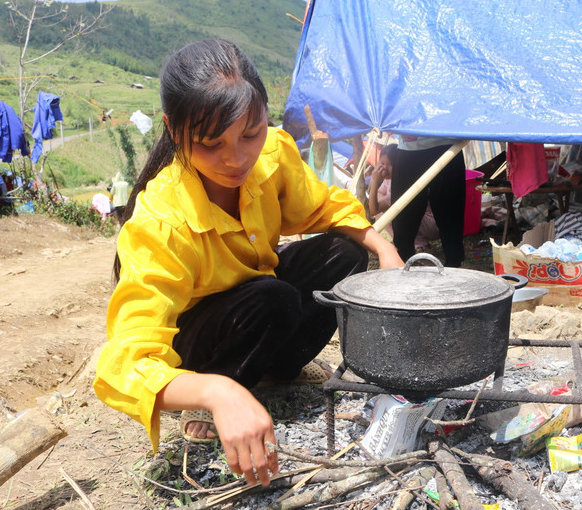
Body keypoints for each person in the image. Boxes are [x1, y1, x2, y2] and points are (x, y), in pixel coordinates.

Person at [92, 39, 403, 487]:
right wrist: (215, 391)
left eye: (249, 134)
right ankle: (218, 389)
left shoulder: (273, 155)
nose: (236, 159)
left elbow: (324, 209)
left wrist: (385, 249)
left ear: (264, 119)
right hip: (204, 340)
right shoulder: (161, 220)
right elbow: (124, 361)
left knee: (345, 253)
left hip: (262, 305)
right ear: (172, 128)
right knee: (271, 296)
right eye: (210, 143)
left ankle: (272, 371)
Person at [390, 135, 466, 267]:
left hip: (448, 145)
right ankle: (403, 263)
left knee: (451, 211)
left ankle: (454, 265)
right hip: (409, 150)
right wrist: (398, 129)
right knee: (403, 213)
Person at [368, 144, 439, 249]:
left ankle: (418, 245)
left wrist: (374, 182)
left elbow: (374, 210)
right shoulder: (389, 179)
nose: (385, 169)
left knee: (387, 211)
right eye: (382, 163)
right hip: (421, 222)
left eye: (390, 164)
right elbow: (379, 195)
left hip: (432, 225)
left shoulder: (401, 181)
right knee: (383, 209)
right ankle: (404, 240)